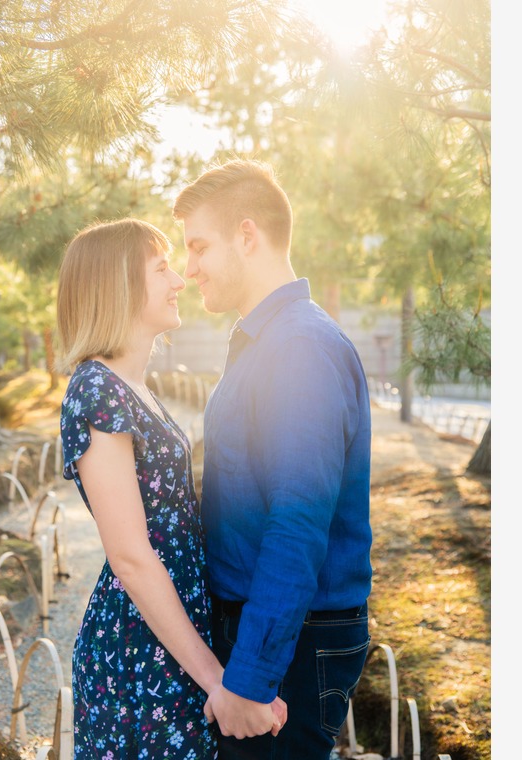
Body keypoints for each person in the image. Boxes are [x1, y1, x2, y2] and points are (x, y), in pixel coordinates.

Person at [56, 218, 286, 759]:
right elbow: (131, 557)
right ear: (119, 286)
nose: (180, 279)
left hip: (172, 641)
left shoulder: (134, 387)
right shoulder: (96, 389)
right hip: (138, 657)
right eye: (162, 269)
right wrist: (219, 683)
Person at [172, 160, 374, 759]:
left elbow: (298, 522)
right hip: (272, 627)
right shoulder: (269, 341)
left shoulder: (300, 348)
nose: (189, 268)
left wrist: (250, 679)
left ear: (247, 235)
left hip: (291, 641)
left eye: (198, 246)